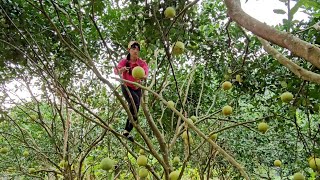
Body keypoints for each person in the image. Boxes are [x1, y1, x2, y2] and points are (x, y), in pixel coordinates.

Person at [115, 41, 149, 142]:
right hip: (126, 86)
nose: (135, 51)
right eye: (133, 49)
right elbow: (116, 71)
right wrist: (122, 70)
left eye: (137, 49)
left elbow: (145, 73)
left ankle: (126, 131)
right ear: (129, 50)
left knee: (136, 107)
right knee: (133, 100)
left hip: (137, 87)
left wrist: (142, 76)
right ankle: (128, 127)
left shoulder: (141, 63)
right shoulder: (124, 62)